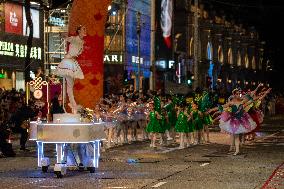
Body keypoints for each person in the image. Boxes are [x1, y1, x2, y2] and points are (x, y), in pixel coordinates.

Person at [53, 25, 87, 113]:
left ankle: (72, 104)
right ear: (79, 31)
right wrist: (63, 34)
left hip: (72, 62)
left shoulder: (82, 41)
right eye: (83, 29)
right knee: (69, 85)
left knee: (70, 85)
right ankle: (71, 104)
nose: (85, 30)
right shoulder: (74, 38)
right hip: (68, 62)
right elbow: (66, 38)